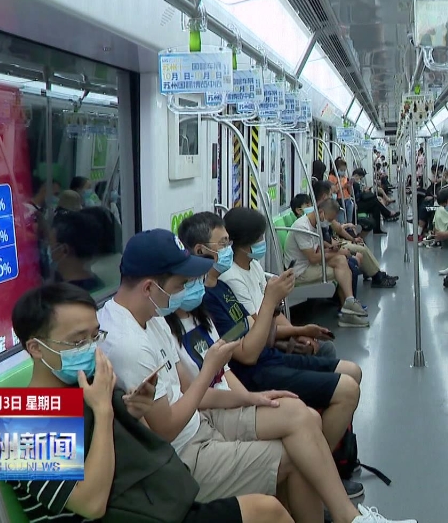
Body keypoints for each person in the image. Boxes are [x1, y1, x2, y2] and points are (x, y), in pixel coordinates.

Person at [98, 229, 411, 523]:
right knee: (299, 456)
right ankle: (346, 516)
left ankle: (348, 516)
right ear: (149, 288)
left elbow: (186, 389)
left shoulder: (152, 318)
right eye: (180, 284)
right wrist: (210, 369)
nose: (184, 290)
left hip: (201, 421)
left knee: (299, 416)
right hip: (183, 451)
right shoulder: (127, 347)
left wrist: (249, 398)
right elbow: (165, 429)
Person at [8, 283, 295, 523]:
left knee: (268, 506)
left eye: (95, 336)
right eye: (77, 341)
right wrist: (104, 411)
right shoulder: (6, 423)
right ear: (35, 348)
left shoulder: (88, 387)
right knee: (266, 512)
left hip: (148, 506)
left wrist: (130, 413)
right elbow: (91, 504)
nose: (91, 348)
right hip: (128, 512)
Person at [221, 207, 337, 359]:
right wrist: (300, 331)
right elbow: (257, 326)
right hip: (262, 343)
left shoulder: (253, 264)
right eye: (259, 238)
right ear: (243, 242)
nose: (262, 242)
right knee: (326, 351)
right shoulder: (232, 279)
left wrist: (296, 334)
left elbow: (273, 311)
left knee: (324, 348)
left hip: (272, 331)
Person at [284, 196, 371, 327]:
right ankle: (348, 309)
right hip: (299, 272)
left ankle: (349, 304)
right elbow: (313, 258)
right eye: (329, 219)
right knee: (342, 270)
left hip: (309, 265)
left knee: (341, 260)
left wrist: (331, 249)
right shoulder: (302, 227)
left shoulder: (314, 223)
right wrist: (336, 252)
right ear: (321, 212)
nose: (329, 223)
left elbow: (317, 249)